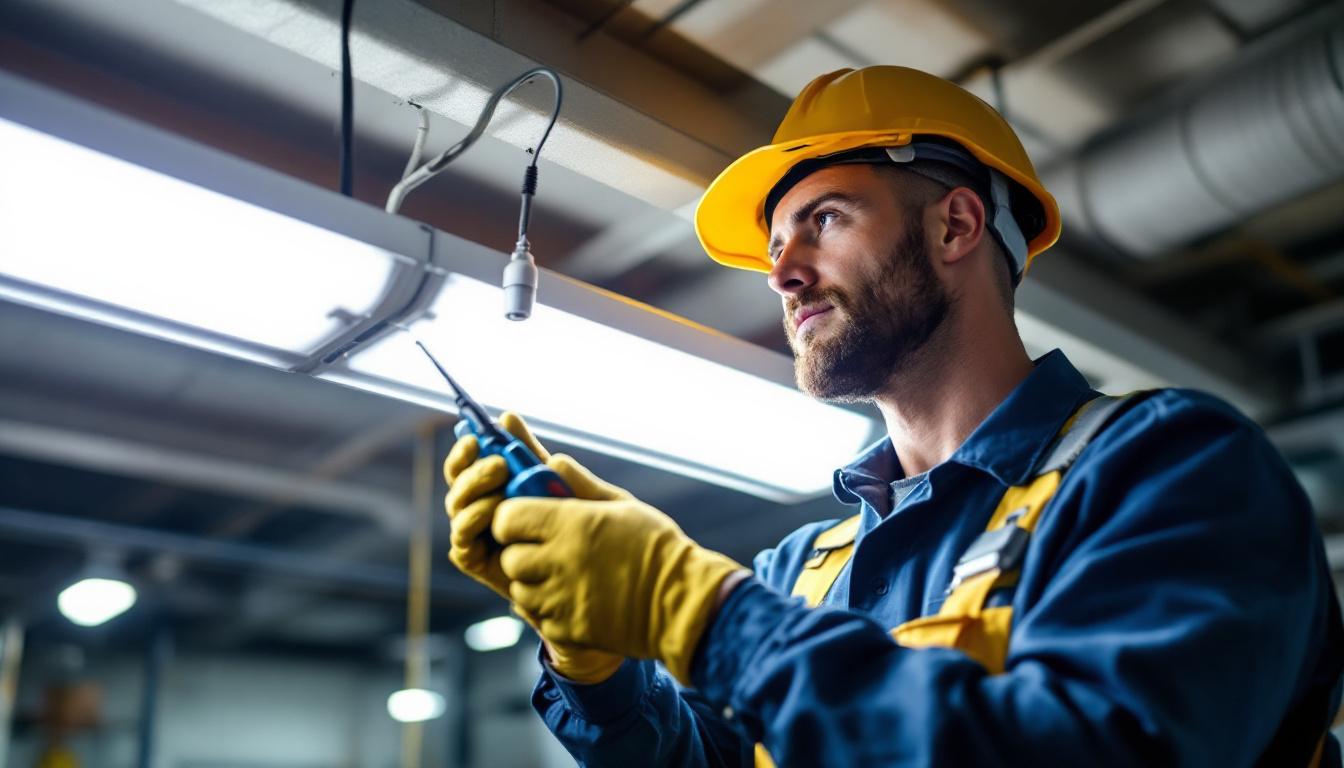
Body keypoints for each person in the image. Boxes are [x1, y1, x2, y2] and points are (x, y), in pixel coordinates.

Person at [442, 66, 1344, 766]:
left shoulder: (1169, 473)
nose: (782, 272)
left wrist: (709, 618)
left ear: (955, 227)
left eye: (823, 219)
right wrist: (595, 664)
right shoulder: (800, 570)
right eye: (774, 246)